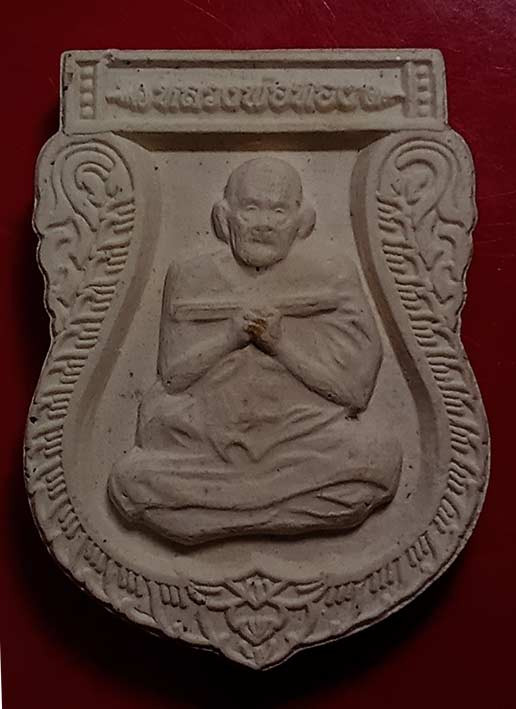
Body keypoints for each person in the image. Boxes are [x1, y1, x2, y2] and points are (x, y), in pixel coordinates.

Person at [109, 157, 401, 544]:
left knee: (378, 455)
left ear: (303, 220)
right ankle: (273, 503)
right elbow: (173, 379)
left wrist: (280, 345)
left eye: (278, 211)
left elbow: (355, 392)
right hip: (208, 440)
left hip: (306, 439)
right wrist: (229, 337)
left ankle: (217, 508)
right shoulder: (191, 275)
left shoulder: (332, 275)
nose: (264, 223)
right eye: (250, 208)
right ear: (224, 217)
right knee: (132, 473)